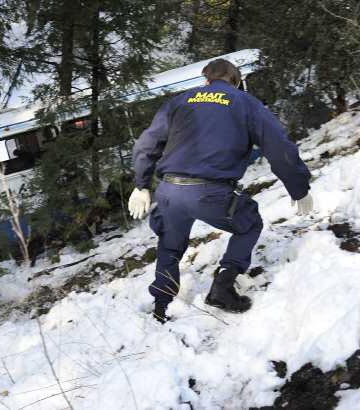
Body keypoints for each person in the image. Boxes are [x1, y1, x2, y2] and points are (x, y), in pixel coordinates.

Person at [128, 59, 313, 323]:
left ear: (206, 80)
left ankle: (161, 306)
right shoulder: (245, 102)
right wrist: (299, 188)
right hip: (210, 193)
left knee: (169, 245)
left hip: (169, 191)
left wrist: (141, 185)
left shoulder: (179, 102)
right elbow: (279, 148)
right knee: (248, 223)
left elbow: (146, 145)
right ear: (235, 81)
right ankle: (223, 286)